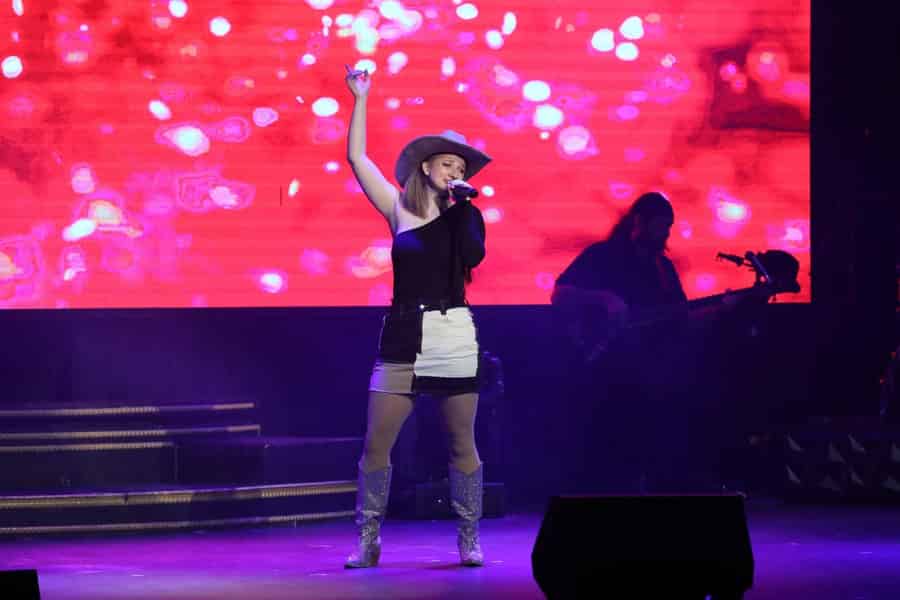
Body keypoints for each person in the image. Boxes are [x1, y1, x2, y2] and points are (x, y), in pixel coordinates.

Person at [343, 66, 490, 568]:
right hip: (404, 331)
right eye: (446, 163)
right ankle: (368, 539)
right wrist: (361, 98)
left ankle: (469, 538)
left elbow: (473, 257)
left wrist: (462, 210)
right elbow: (357, 158)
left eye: (460, 167)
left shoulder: (467, 214)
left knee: (461, 441)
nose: (453, 171)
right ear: (425, 167)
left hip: (453, 332)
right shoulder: (399, 209)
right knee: (376, 443)